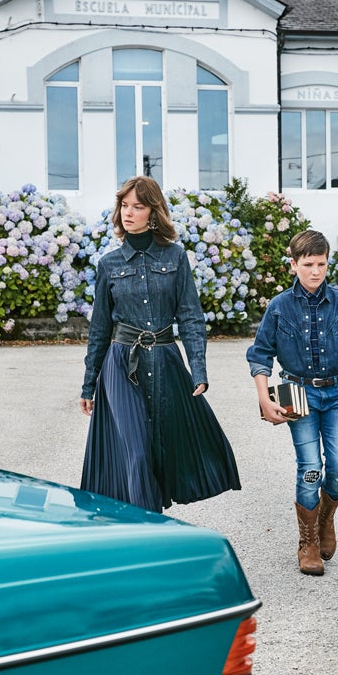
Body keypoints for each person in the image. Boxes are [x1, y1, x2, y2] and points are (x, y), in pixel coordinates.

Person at [79, 175, 240, 513]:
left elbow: (192, 317)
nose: (129, 212)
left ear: (153, 212)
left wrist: (198, 368)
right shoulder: (108, 264)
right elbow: (99, 329)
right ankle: (147, 533)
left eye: (137, 206)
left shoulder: (176, 257)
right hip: (121, 365)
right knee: (136, 453)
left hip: (166, 361)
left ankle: (149, 523)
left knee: (161, 450)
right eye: (124, 205)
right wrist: (89, 385)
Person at [246, 230, 338, 576]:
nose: (316, 271)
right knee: (310, 466)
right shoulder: (279, 306)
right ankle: (308, 542)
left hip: (337, 393)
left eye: (322, 264)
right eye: (308, 264)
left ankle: (326, 519)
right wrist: (264, 397)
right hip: (296, 392)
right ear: (294, 265)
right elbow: (260, 355)